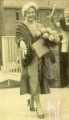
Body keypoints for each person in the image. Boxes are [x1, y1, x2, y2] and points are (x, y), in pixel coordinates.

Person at [16, 2, 60, 118]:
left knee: (39, 79)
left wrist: (51, 38)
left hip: (41, 56)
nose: (31, 14)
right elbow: (18, 37)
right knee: (34, 79)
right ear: (25, 13)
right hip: (30, 57)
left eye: (33, 12)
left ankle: (31, 100)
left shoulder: (39, 25)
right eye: (29, 12)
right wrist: (21, 43)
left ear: (35, 13)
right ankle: (39, 107)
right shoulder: (21, 25)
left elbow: (46, 37)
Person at [51, 6, 69, 87]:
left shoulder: (63, 24)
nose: (67, 15)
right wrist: (53, 12)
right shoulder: (62, 22)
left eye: (68, 13)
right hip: (64, 44)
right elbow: (53, 22)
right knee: (64, 64)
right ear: (64, 14)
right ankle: (64, 83)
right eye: (66, 13)